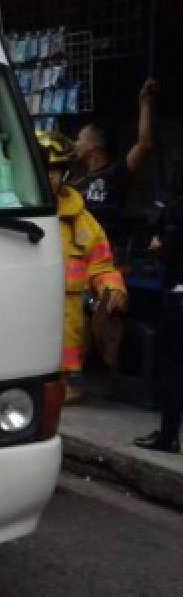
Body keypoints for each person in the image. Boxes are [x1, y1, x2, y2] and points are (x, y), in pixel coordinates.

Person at [41, 131, 129, 403]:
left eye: (55, 171)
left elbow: (101, 265)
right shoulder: (6, 214)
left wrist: (112, 290)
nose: (49, 177)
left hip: (66, 336)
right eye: (43, 170)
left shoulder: (81, 221)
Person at [69, 79, 159, 245]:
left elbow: (144, 144)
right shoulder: (76, 182)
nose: (76, 144)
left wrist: (145, 103)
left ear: (93, 145)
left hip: (108, 253)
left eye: (79, 139)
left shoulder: (116, 173)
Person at [135, 166, 183, 453]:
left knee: (172, 370)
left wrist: (158, 247)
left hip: (179, 296)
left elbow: (170, 249)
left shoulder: (177, 210)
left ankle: (168, 435)